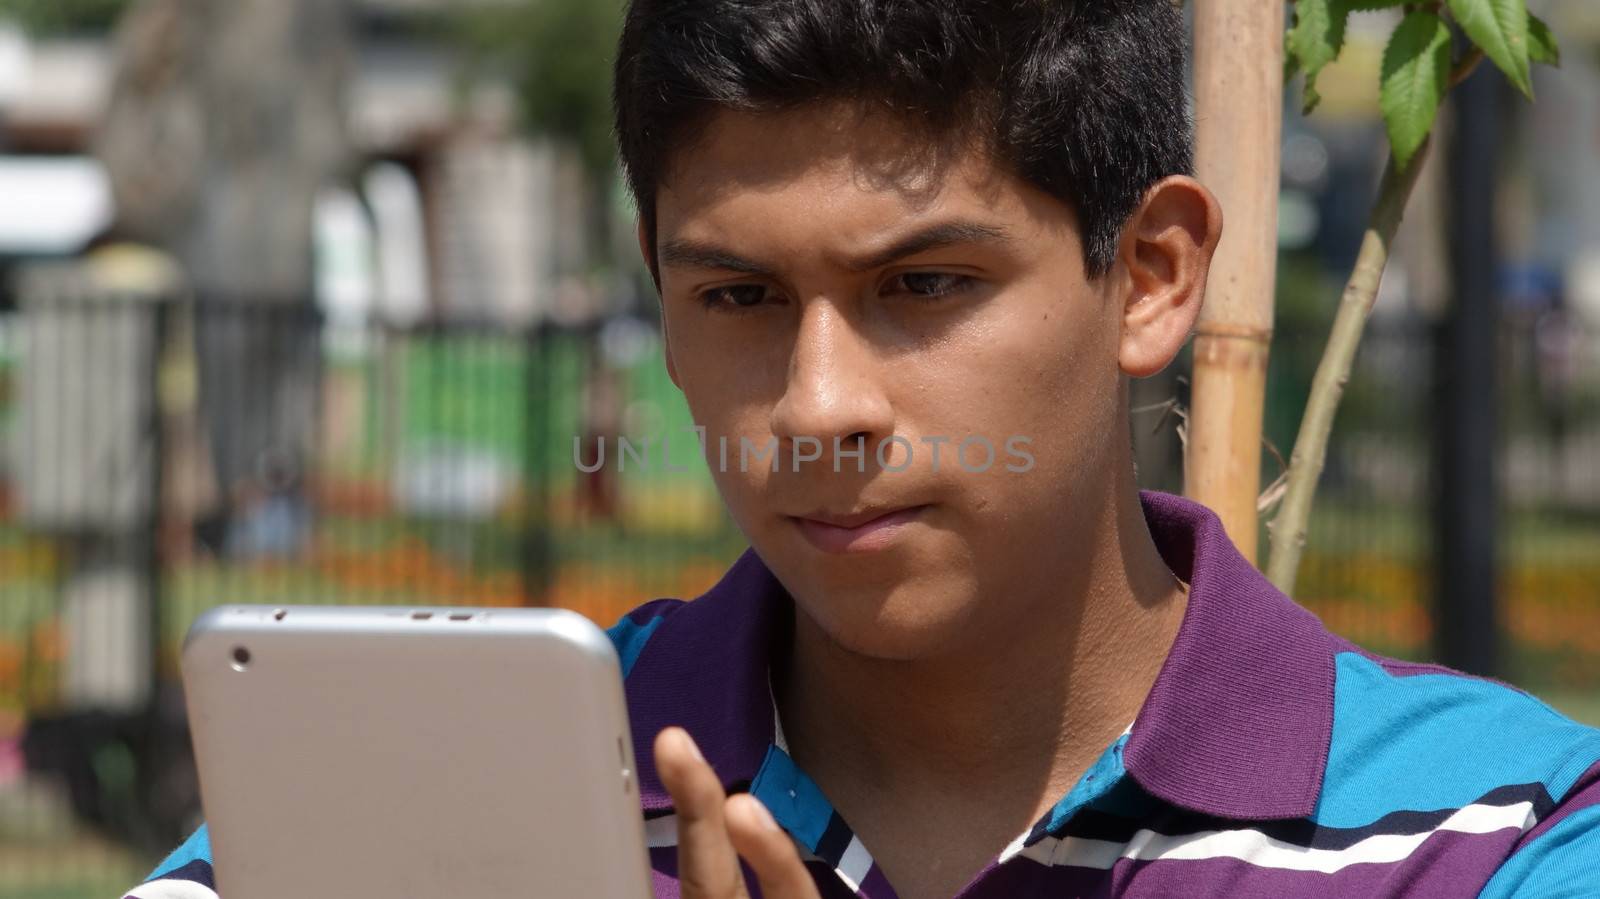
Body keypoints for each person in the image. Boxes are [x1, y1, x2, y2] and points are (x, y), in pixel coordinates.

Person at [127, 1, 1600, 897]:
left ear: (1151, 275)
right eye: (740, 297)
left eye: (925, 285)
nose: (819, 403)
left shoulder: (1485, 842)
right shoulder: (428, 801)